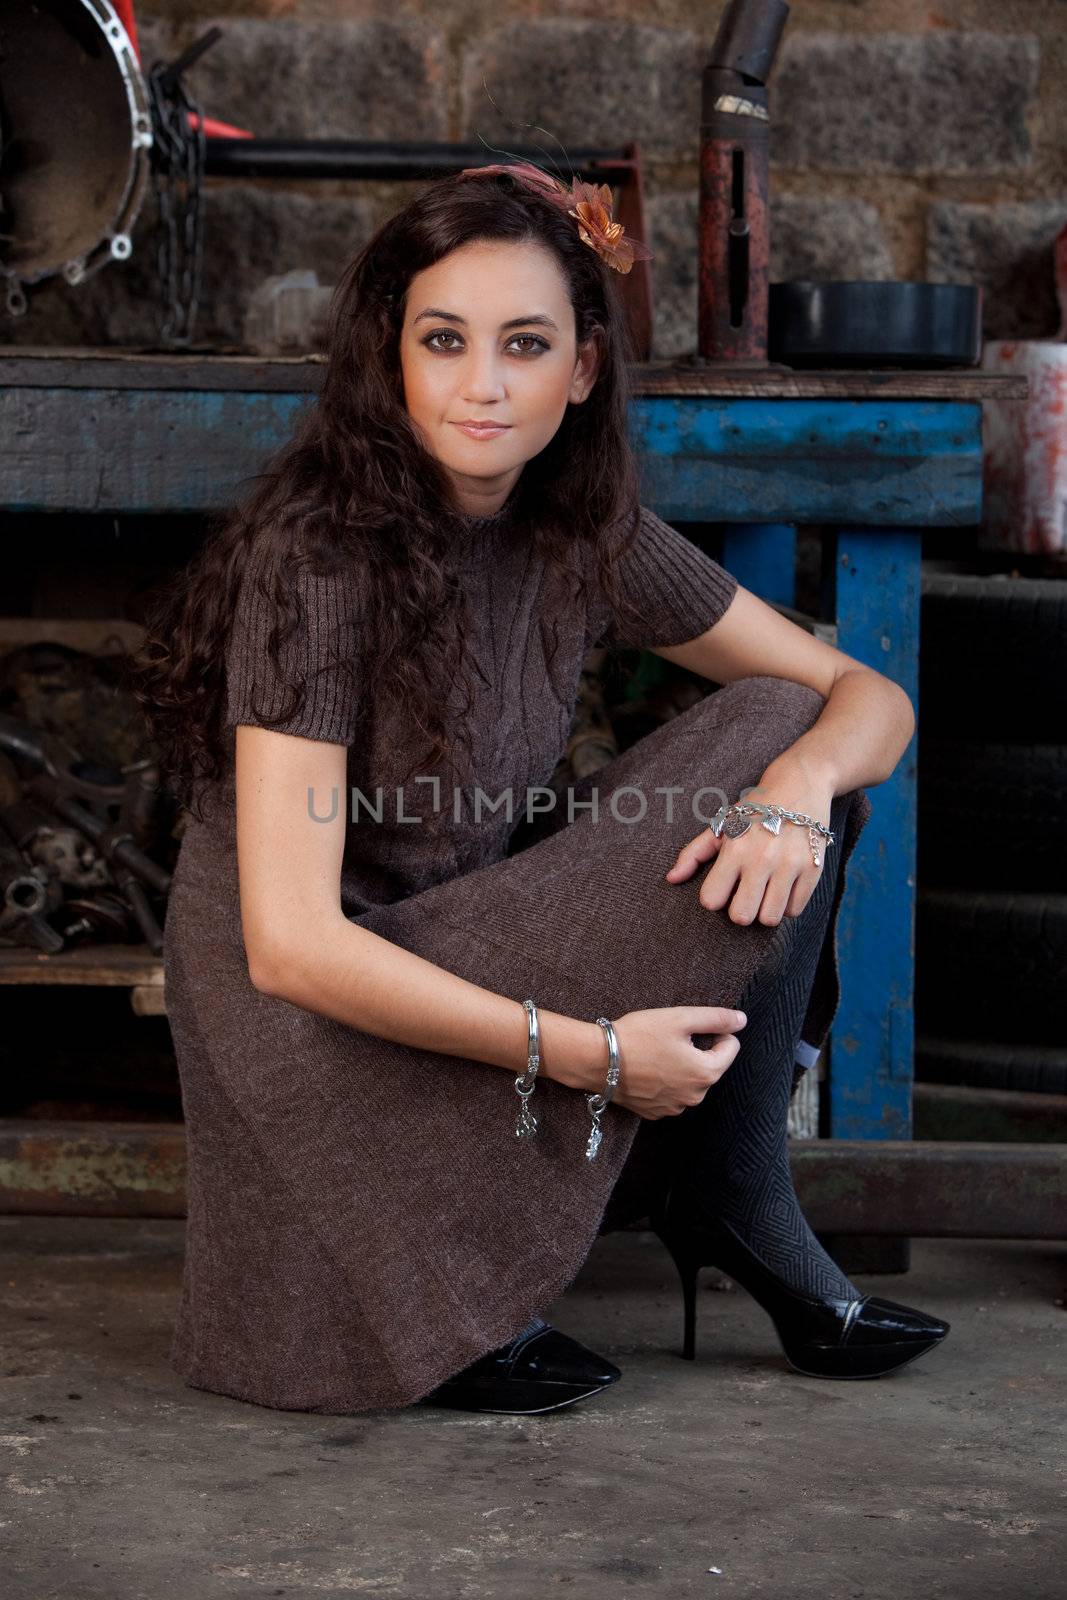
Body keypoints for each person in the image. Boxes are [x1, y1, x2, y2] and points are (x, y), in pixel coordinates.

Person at [136, 160, 949, 1419]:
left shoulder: (582, 526)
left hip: (463, 925)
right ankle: (680, 1188)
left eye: (524, 344)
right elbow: (289, 947)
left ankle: (729, 1186)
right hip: (306, 1014)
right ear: (390, 355)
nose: (481, 385)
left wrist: (791, 791)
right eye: (443, 339)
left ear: (578, 369)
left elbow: (870, 702)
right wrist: (592, 1058)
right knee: (783, 740)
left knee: (794, 726)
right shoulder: (319, 559)